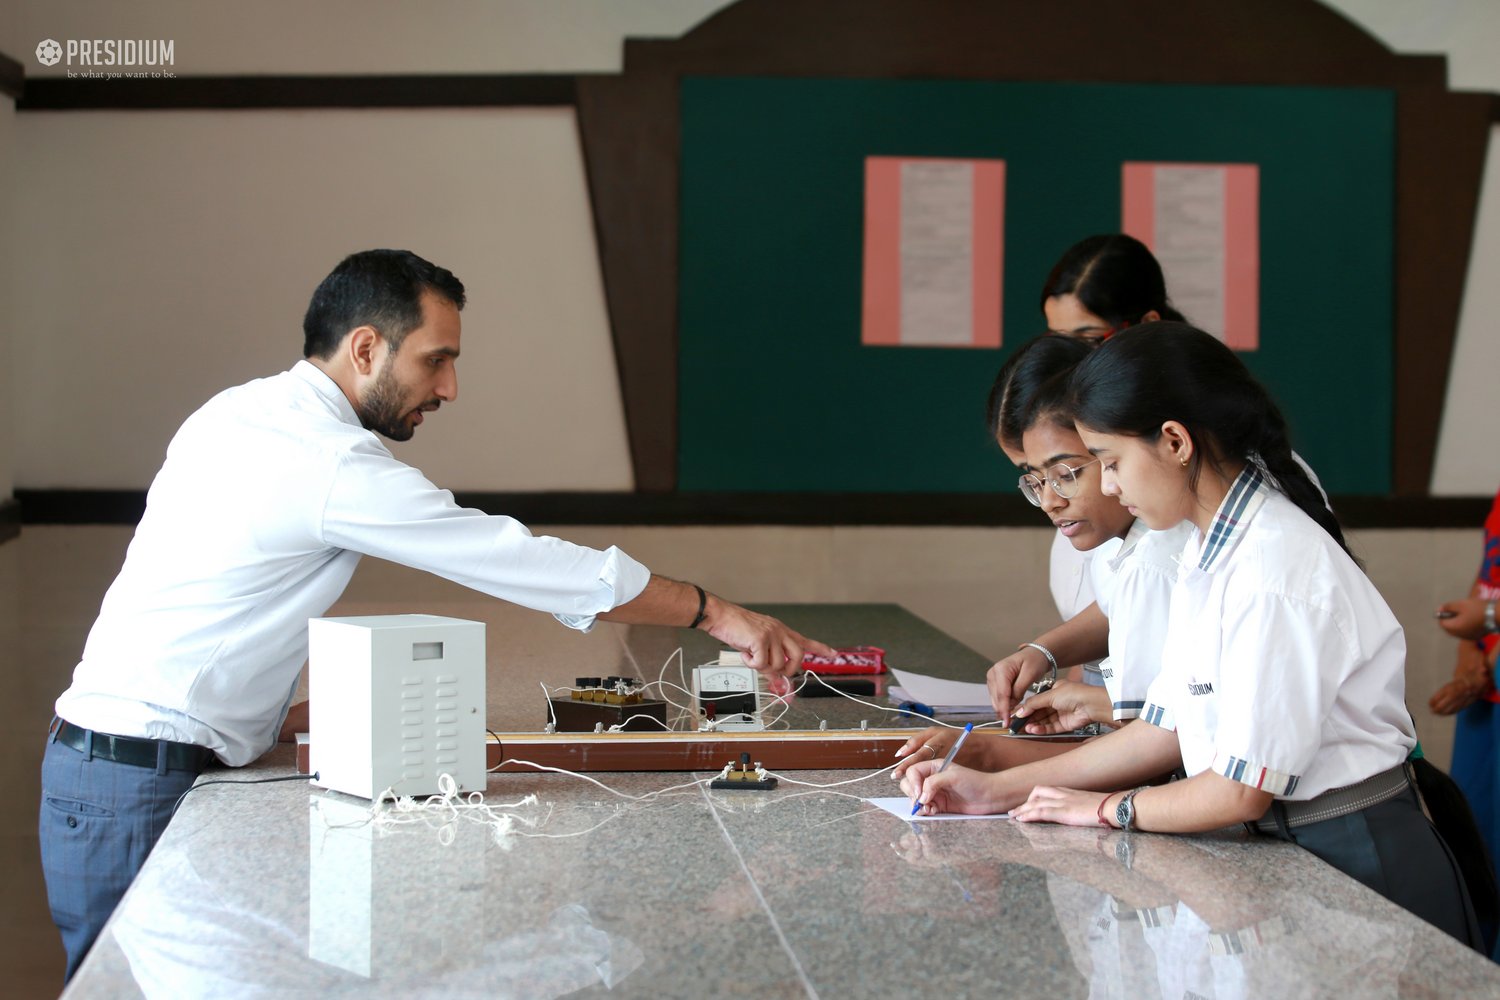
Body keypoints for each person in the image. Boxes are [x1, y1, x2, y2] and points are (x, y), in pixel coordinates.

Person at [39, 249, 833, 979]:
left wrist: (285, 712)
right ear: (364, 349)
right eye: (436, 359)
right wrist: (715, 613)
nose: (449, 387)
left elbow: (207, 608)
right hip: (136, 785)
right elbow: (510, 559)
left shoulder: (245, 413)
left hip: (117, 768)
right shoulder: (324, 461)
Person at [901, 322, 1483, 950]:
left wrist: (1103, 808)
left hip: (1355, 856)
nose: (1112, 487)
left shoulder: (1271, 568)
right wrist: (996, 790)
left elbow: (1238, 791)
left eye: (1110, 463)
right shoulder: (1207, 552)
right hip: (1297, 846)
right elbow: (1169, 726)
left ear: (1174, 441)